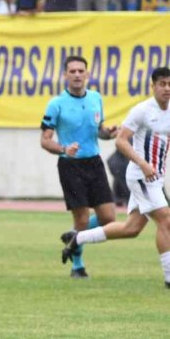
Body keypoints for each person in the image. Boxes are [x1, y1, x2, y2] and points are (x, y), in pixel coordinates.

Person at [60, 67, 170, 289]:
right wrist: (143, 164)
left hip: (155, 177)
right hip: (141, 176)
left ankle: (77, 239)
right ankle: (169, 278)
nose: (167, 88)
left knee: (131, 229)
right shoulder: (142, 110)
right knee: (166, 220)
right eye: (162, 84)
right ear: (153, 86)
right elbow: (121, 141)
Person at [40, 55, 118, 279]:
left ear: (87, 74)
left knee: (108, 219)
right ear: (65, 75)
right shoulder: (56, 104)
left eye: (80, 71)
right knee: (82, 219)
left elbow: (99, 130)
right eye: (72, 71)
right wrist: (64, 149)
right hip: (70, 166)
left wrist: (108, 133)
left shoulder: (95, 98)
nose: (76, 75)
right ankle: (78, 266)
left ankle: (72, 236)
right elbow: (45, 140)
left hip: (94, 163)